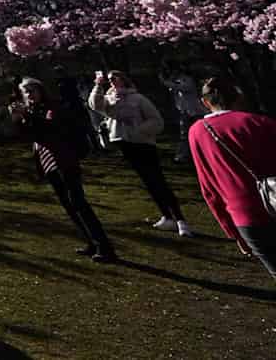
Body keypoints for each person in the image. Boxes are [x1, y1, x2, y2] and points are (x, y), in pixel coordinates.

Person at [12, 78, 117, 263]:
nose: (29, 94)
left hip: (64, 160)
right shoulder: (32, 111)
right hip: (49, 162)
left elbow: (50, 128)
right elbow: (31, 135)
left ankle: (104, 246)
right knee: (69, 205)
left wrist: (27, 118)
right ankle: (91, 242)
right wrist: (19, 120)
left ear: (41, 90)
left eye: (33, 90)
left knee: (79, 203)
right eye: (26, 91)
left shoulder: (52, 107)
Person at [188, 76, 276, 278]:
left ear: (205, 102)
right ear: (238, 97)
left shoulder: (197, 132)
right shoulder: (260, 123)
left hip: (245, 216)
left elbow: (208, 187)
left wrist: (232, 231)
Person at [89, 69, 191, 235]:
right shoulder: (109, 98)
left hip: (142, 143)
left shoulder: (138, 98)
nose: (112, 81)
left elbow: (156, 120)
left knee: (158, 180)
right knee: (148, 181)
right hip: (124, 143)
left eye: (116, 77)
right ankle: (167, 216)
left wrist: (138, 131)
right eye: (109, 79)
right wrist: (97, 85)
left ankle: (180, 219)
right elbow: (95, 105)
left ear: (124, 79)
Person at [160, 63, 206, 164]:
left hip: (195, 111)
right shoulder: (176, 80)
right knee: (184, 135)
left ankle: (197, 154)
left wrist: (165, 82)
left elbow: (183, 88)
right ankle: (184, 155)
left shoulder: (187, 79)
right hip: (184, 111)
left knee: (196, 134)